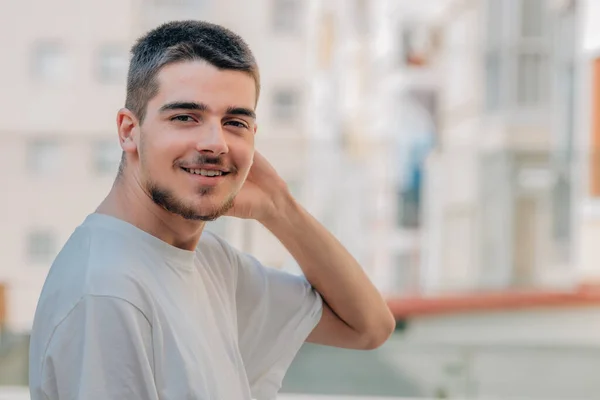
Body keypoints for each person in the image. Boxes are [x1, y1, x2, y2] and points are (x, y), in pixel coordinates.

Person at [28, 20, 395, 400]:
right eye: (185, 117)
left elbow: (368, 327)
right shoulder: (106, 292)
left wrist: (279, 208)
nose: (215, 143)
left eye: (235, 122)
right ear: (128, 130)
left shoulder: (210, 261)